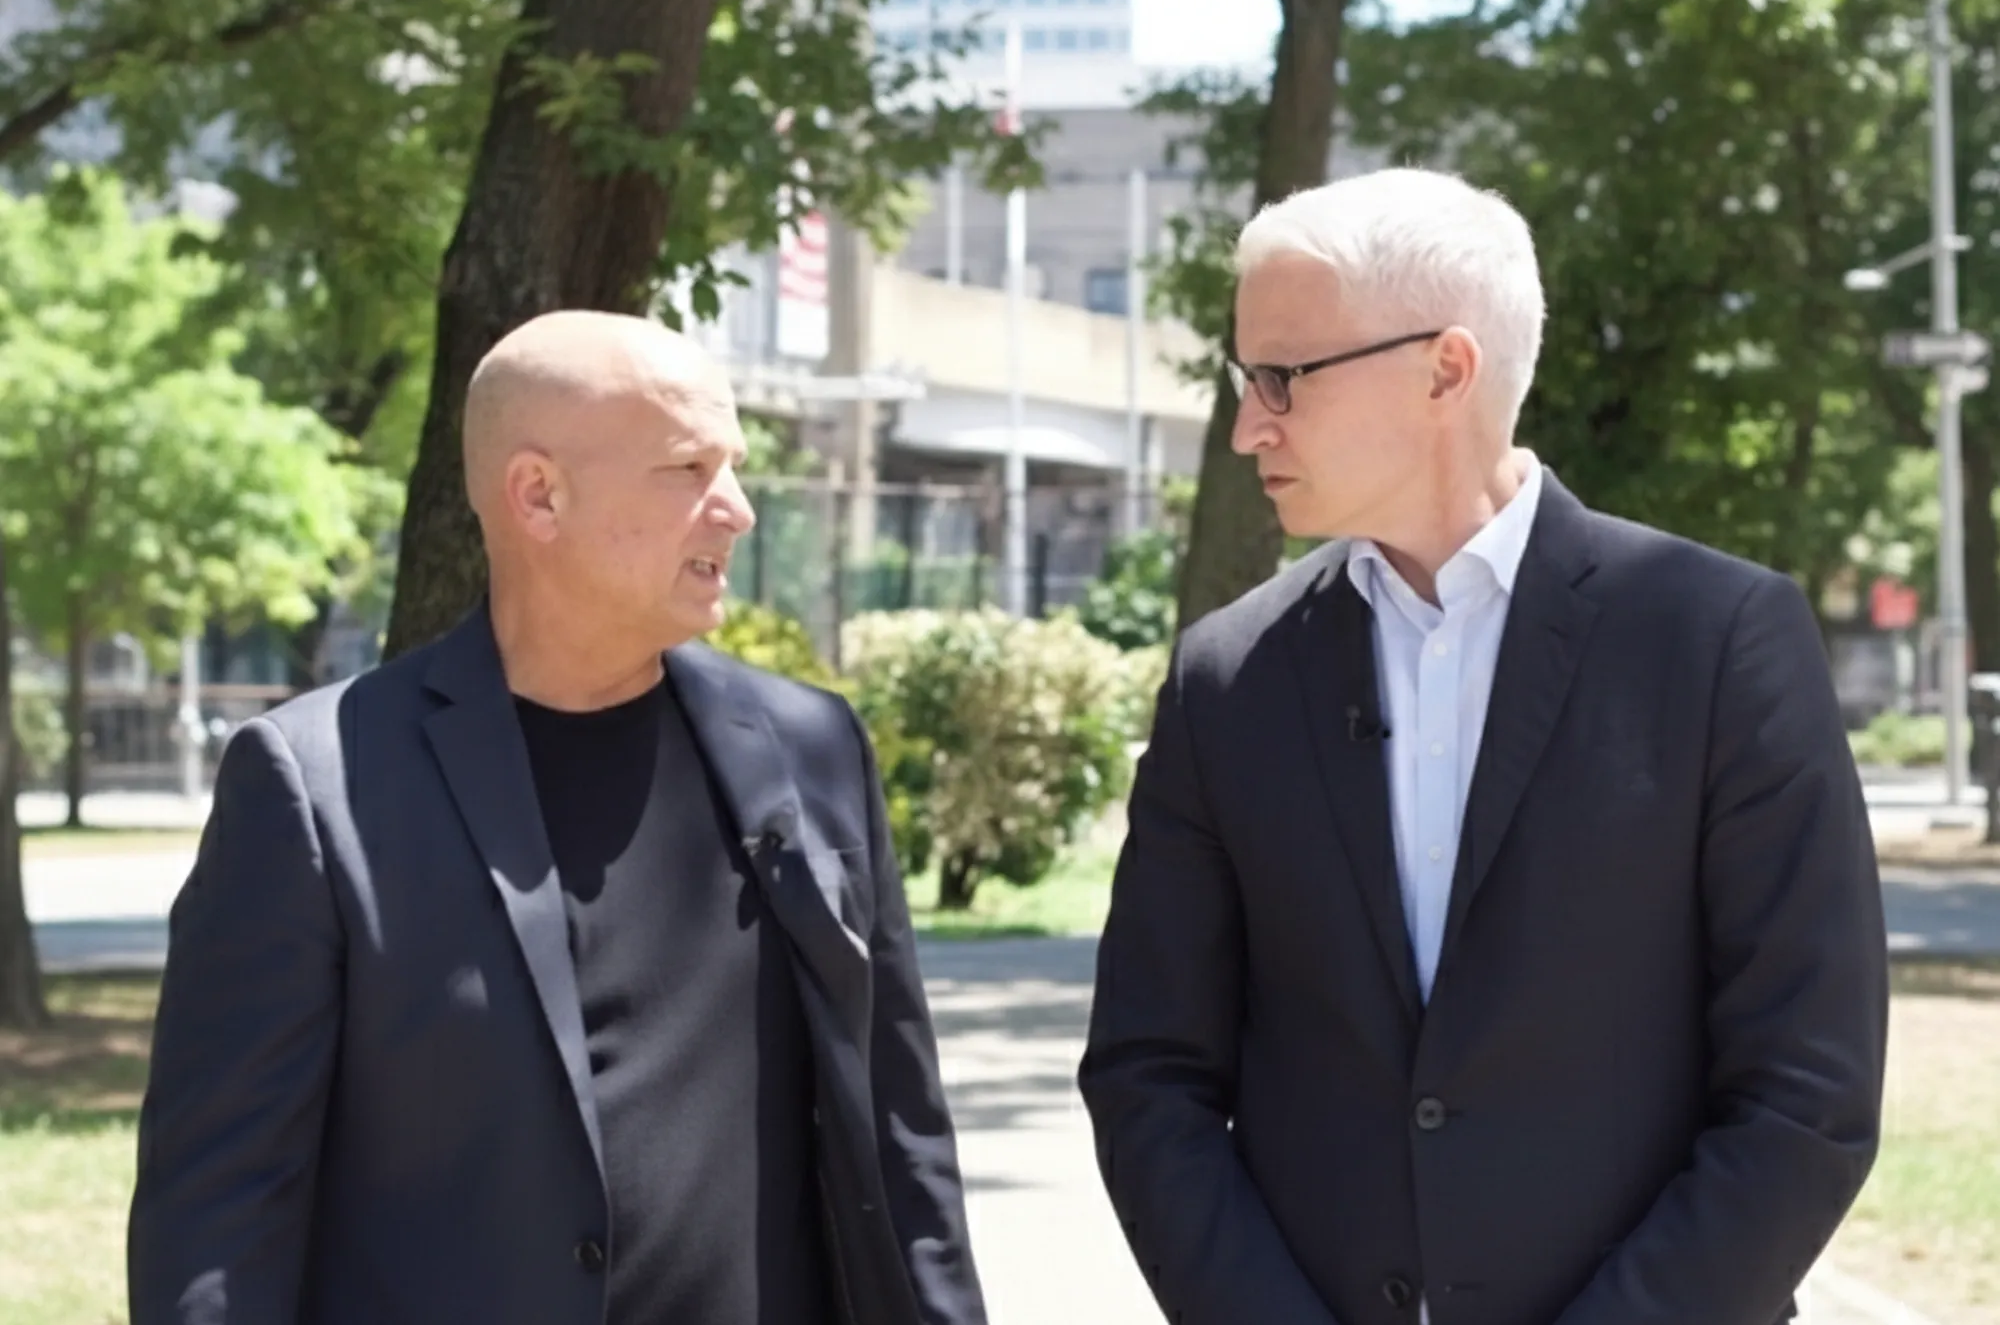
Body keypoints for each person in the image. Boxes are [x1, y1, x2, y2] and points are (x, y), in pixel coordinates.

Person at [1077, 168, 1888, 1325]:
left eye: (1281, 377)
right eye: (1243, 379)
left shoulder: (1714, 640)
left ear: (1443, 370)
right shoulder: (1225, 678)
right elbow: (1148, 1074)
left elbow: (1805, 1091)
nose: (1249, 421)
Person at [128, 310, 987, 1325]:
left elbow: (902, 1141)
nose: (738, 510)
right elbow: (218, 1228)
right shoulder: (313, 789)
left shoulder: (814, 749)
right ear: (537, 494)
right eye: (688, 468)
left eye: (736, 465)